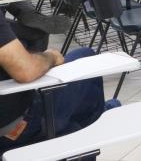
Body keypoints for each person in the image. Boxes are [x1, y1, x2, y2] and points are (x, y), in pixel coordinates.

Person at [0, 14, 115, 156]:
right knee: (86, 56)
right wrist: (51, 57)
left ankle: (87, 127)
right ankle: (95, 122)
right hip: (14, 126)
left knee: (73, 127)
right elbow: (26, 70)